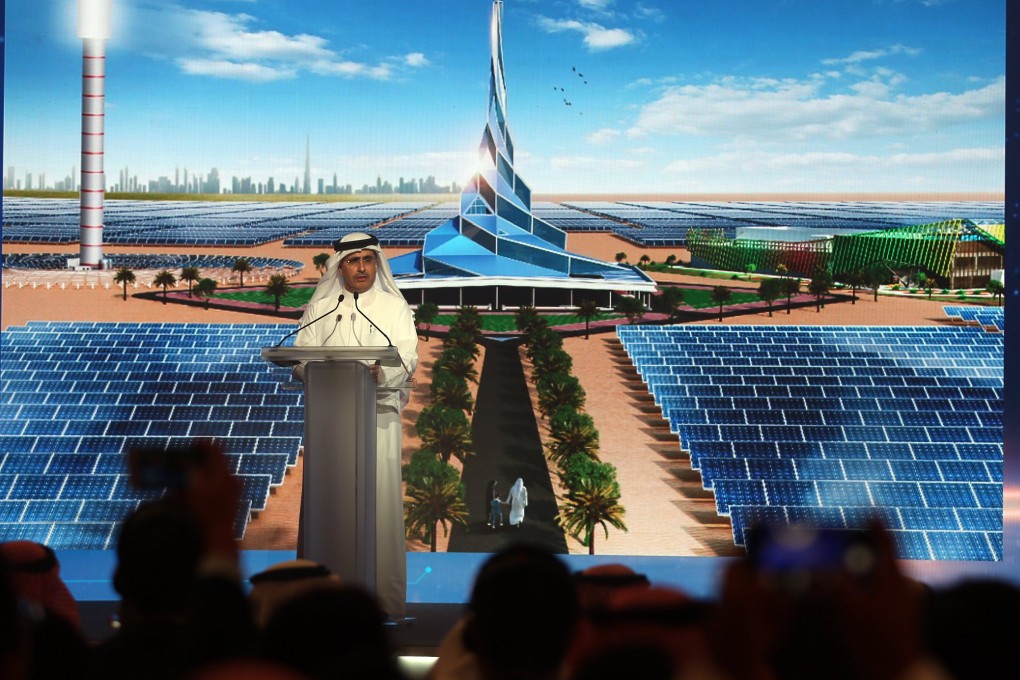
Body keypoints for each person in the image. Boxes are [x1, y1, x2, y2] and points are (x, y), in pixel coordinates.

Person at [294, 232, 419, 621]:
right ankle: (322, 602)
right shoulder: (321, 307)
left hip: (377, 420)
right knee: (328, 507)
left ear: (377, 263)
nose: (362, 267)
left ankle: (380, 602)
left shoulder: (394, 307)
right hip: (332, 424)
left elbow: (408, 357)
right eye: (353, 260)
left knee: (377, 506)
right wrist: (325, 370)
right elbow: (300, 358)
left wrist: (383, 372)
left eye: (368, 259)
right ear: (341, 266)